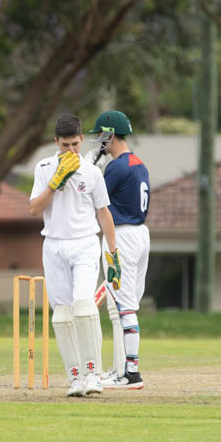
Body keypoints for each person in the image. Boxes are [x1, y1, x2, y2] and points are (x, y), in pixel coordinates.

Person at [30, 114, 120, 397]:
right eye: (64, 145)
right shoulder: (44, 168)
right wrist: (55, 183)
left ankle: (93, 374)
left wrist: (113, 254)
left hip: (84, 243)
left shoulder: (92, 172)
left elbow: (103, 213)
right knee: (61, 315)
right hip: (54, 245)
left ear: (82, 140)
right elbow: (35, 209)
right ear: (56, 141)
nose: (70, 150)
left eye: (75, 145)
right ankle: (75, 378)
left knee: (83, 306)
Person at [86, 110, 149, 389]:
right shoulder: (138, 163)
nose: (99, 140)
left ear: (109, 134)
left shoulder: (116, 167)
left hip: (121, 236)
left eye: (101, 135)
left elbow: (93, 199)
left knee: (124, 306)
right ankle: (123, 369)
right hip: (141, 234)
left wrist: (89, 168)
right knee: (126, 305)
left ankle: (131, 373)